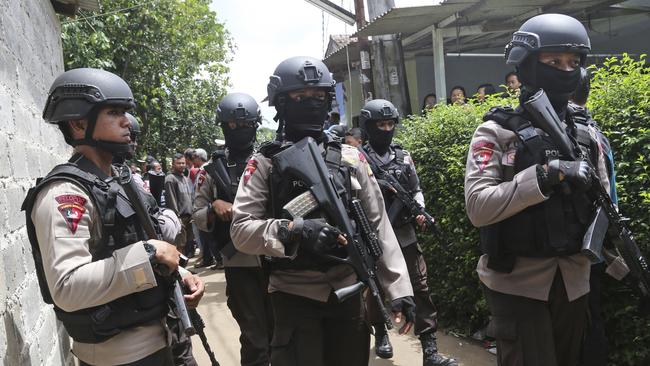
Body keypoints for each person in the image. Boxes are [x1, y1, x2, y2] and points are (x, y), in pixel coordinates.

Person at [230, 56, 416, 366]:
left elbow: (378, 225)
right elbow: (241, 231)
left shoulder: (350, 158)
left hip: (349, 292)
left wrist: (398, 289)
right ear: (280, 103)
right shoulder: (265, 163)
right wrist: (294, 231)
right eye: (300, 97)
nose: (311, 103)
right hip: (294, 297)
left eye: (318, 96)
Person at [22, 68, 204, 365]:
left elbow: (135, 244)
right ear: (79, 124)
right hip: (121, 356)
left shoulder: (117, 182)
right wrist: (150, 253)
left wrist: (182, 274)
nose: (126, 122)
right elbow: (67, 286)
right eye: (114, 112)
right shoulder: (66, 193)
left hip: (164, 337)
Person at [464, 14, 610, 366]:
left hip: (575, 278)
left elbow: (602, 201)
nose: (566, 70)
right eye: (554, 61)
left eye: (574, 63)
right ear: (528, 65)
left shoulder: (586, 131)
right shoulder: (496, 132)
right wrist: (544, 177)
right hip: (518, 283)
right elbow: (478, 206)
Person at [360, 99, 458, 366]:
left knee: (421, 286)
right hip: (373, 235)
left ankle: (429, 349)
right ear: (369, 127)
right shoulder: (359, 158)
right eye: (381, 124)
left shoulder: (403, 156)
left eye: (390, 124)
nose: (386, 129)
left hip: (404, 232)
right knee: (376, 288)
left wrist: (420, 210)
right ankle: (381, 333)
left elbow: (415, 190)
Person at [193, 92, 273, 365]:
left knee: (283, 330)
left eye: (246, 125)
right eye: (232, 126)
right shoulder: (211, 169)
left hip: (276, 255)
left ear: (256, 125)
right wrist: (213, 207)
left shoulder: (271, 159)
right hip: (239, 260)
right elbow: (196, 213)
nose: (239, 131)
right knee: (254, 336)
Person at [165, 153, 195, 256]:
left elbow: (191, 197)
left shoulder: (186, 179)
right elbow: (171, 199)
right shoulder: (170, 179)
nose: (182, 165)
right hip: (179, 217)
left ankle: (185, 269)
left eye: (183, 163)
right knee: (180, 245)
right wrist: (176, 217)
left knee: (188, 242)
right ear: (173, 164)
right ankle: (180, 270)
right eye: (179, 163)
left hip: (189, 216)